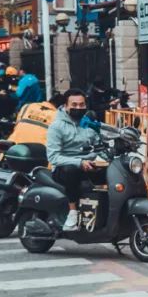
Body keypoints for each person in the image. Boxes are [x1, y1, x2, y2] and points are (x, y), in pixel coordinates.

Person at [45, 88, 103, 230]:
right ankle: (72, 212)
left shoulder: (87, 123)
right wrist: (79, 162)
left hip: (89, 163)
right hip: (64, 168)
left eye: (81, 105)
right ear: (65, 106)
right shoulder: (56, 127)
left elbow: (98, 143)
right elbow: (53, 157)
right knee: (72, 171)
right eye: (74, 105)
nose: (78, 108)